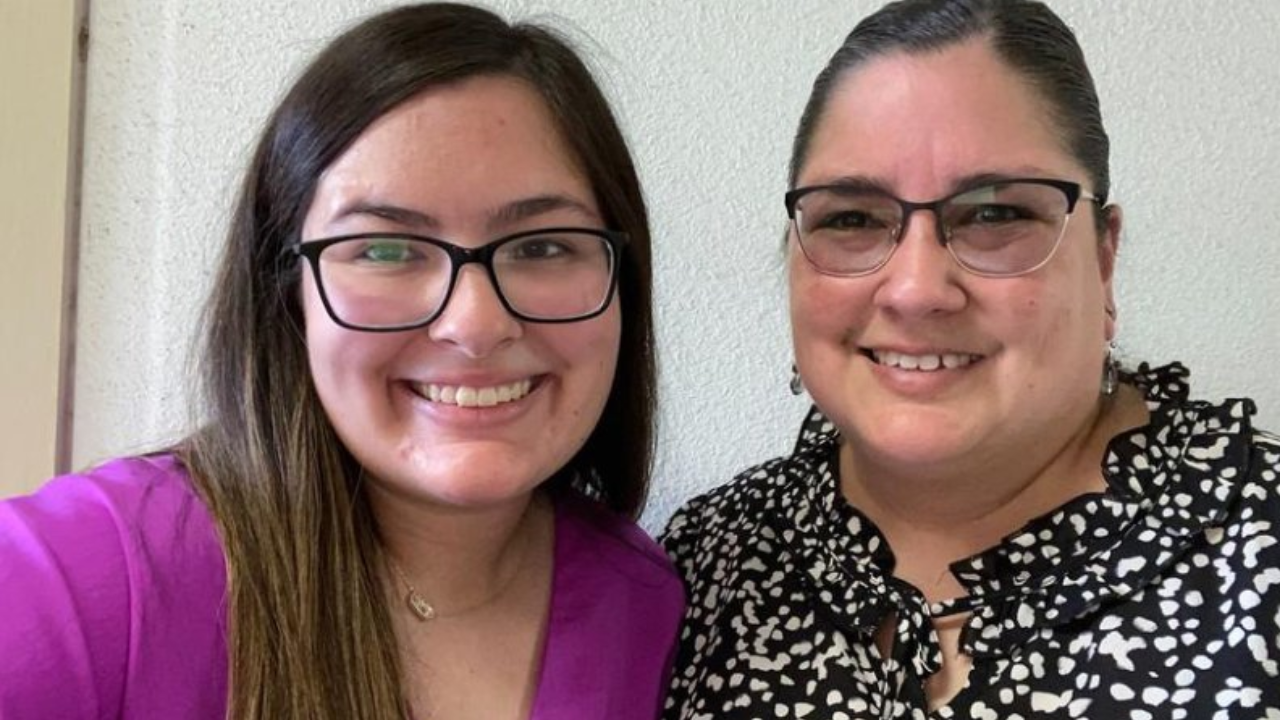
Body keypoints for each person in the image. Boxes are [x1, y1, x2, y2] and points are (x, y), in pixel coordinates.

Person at [0, 4, 683, 719]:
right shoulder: (95, 571)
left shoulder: (641, 602)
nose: (475, 324)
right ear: (286, 293)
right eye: (386, 250)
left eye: (542, 247)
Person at [661, 0, 1280, 717]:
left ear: (1103, 259)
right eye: (852, 218)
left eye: (996, 214)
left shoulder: (1256, 559)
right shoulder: (701, 567)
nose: (917, 290)